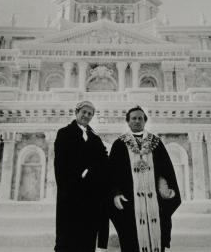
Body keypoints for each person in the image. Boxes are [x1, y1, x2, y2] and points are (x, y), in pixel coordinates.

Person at [109, 106, 181, 252]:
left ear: (145, 121)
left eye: (140, 118)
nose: (137, 121)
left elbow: (167, 171)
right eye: (133, 118)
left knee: (156, 238)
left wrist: (165, 188)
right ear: (128, 122)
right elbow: (112, 174)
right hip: (130, 203)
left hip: (154, 203)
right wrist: (115, 193)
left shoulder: (156, 143)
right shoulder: (119, 144)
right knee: (131, 241)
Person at [54, 101, 109, 252]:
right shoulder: (64, 133)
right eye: (84, 112)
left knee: (87, 236)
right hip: (70, 194)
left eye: (90, 114)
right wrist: (74, 181)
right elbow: (60, 164)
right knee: (68, 237)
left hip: (91, 196)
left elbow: (103, 160)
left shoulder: (95, 138)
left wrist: (93, 174)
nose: (86, 116)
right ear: (76, 112)